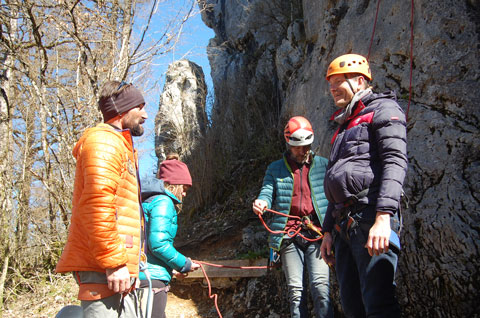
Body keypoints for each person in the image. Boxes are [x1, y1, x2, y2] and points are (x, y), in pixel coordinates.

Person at [320, 53, 408, 318]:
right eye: (330, 83)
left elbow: (395, 162)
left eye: (338, 81)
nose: (332, 88)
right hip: (343, 224)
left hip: (370, 216)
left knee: (378, 304)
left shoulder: (384, 110)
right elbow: (336, 182)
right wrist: (327, 231)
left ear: (359, 81)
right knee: (353, 306)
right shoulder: (344, 124)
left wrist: (384, 217)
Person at [56, 80, 148, 318]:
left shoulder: (119, 145)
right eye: (140, 106)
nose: (145, 115)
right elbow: (97, 205)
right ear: (123, 110)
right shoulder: (104, 142)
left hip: (116, 265)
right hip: (104, 266)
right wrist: (115, 263)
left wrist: (130, 266)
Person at [252, 116, 333, 318]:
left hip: (317, 234)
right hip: (288, 236)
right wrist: (262, 202)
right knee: (296, 292)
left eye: (306, 146)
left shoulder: (323, 165)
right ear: (288, 144)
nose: (303, 151)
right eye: (298, 147)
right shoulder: (275, 169)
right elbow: (267, 191)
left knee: (321, 287)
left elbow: (334, 196)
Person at [138, 154, 200, 318]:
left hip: (143, 275)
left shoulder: (148, 201)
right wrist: (184, 264)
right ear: (174, 185)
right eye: (184, 189)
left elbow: (147, 246)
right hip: (151, 281)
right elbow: (158, 244)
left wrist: (171, 270)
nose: (185, 195)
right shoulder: (163, 202)